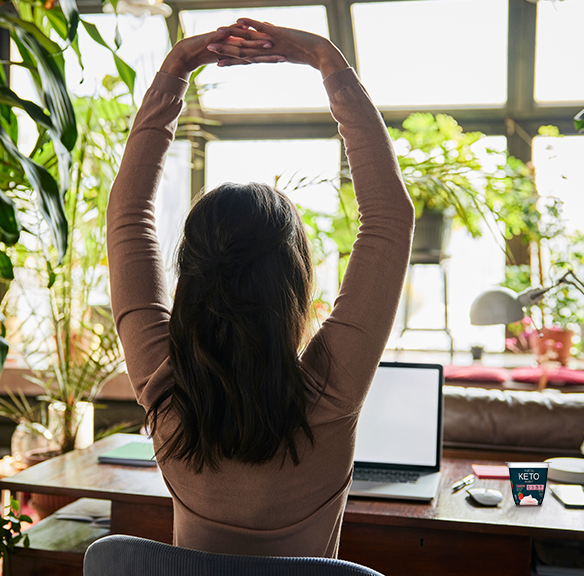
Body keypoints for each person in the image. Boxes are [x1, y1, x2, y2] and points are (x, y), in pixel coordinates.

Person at [106, 19, 414, 557]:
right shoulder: (330, 393)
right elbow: (389, 217)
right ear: (293, 281)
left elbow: (127, 217)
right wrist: (325, 59)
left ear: (192, 273)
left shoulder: (163, 388)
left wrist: (175, 70)